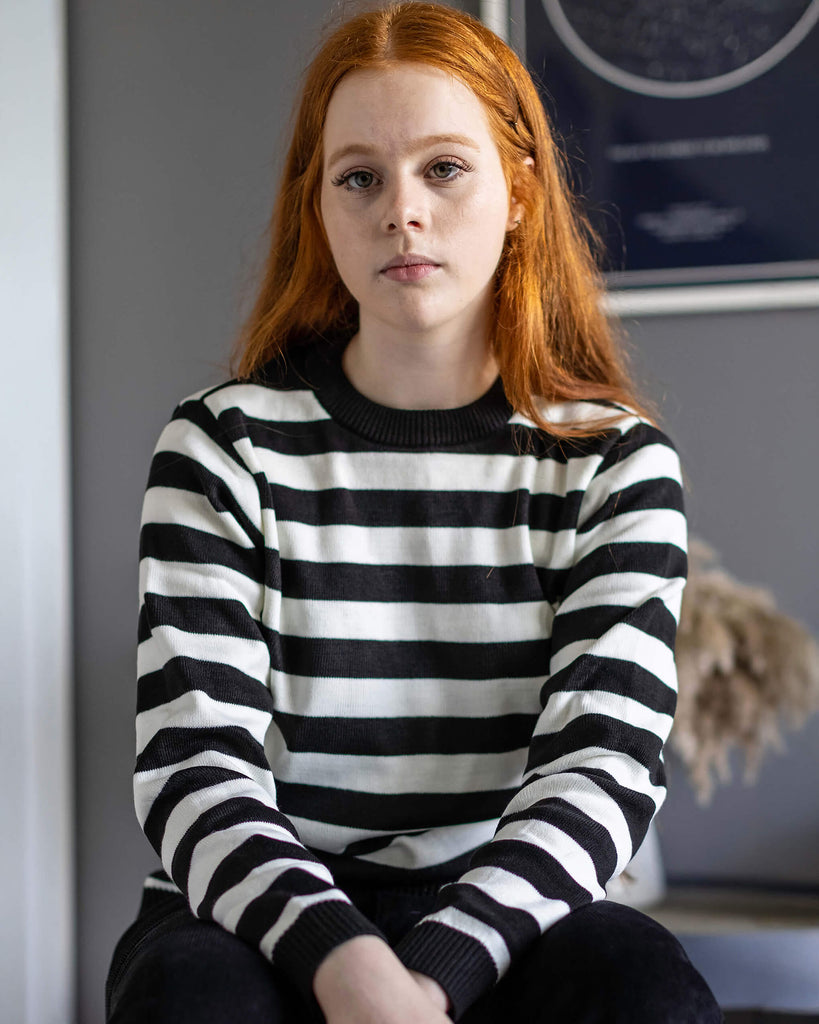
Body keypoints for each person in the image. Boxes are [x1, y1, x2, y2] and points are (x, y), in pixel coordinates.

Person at [106, 3, 722, 1022]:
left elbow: (603, 767)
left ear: (520, 190)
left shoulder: (614, 462)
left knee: (643, 990)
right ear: (321, 208)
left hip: (511, 913)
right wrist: (352, 971)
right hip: (257, 919)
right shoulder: (223, 448)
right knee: (188, 997)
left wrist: (435, 971)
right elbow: (195, 773)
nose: (403, 211)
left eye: (444, 168)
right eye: (361, 177)